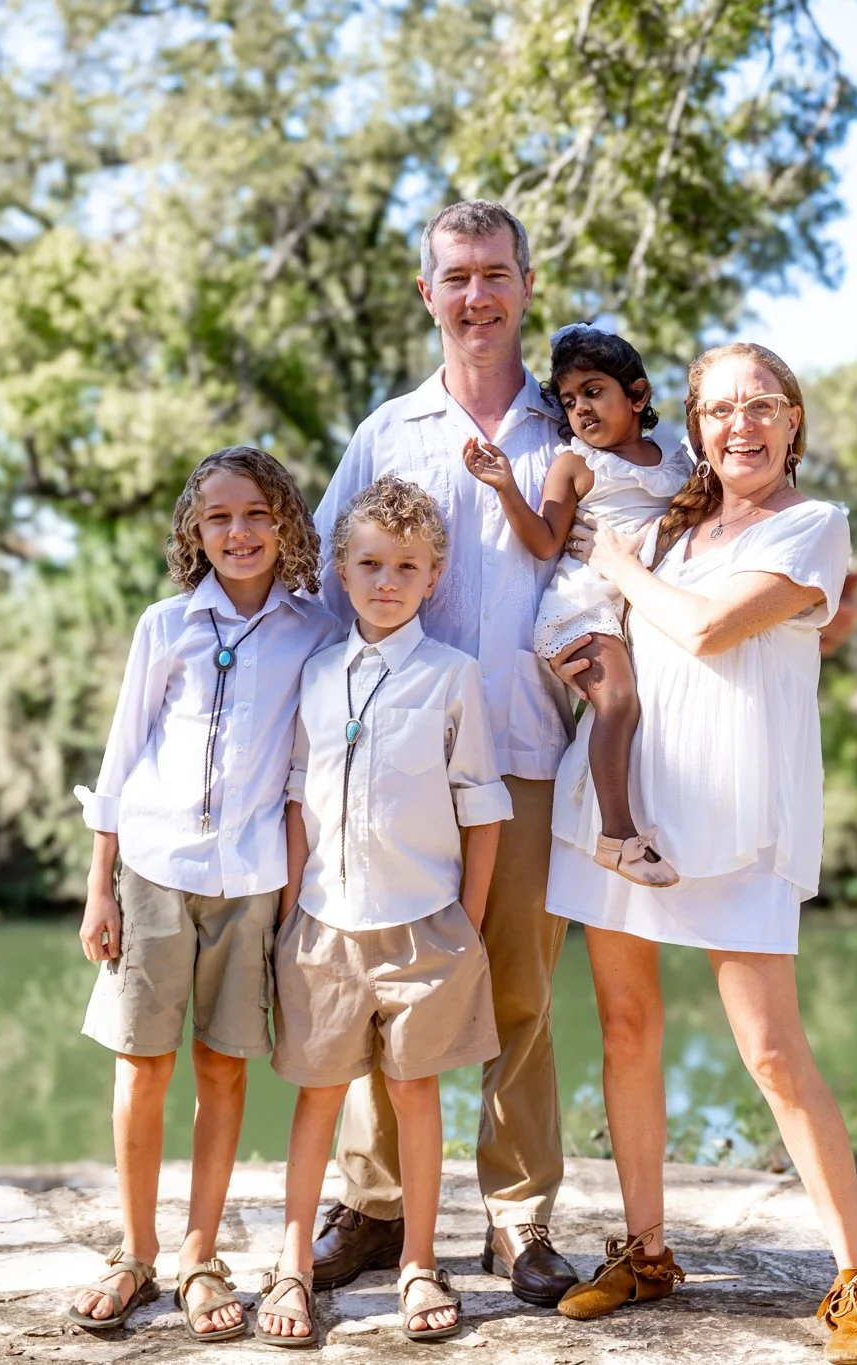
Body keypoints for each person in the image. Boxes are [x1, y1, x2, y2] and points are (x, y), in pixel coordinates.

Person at [545, 343, 857, 1365]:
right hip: (621, 810)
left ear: (791, 420)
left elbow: (704, 632)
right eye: (717, 411)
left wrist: (610, 562)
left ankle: (856, 1276)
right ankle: (646, 1248)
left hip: (737, 818)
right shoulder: (669, 522)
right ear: (693, 426)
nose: (737, 427)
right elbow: (624, 636)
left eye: (759, 407)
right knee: (624, 1027)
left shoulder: (810, 528)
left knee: (772, 1055)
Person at [307, 200, 579, 1307]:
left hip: (520, 748)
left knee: (518, 993)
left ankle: (518, 1222)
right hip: (393, 769)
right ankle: (371, 1210)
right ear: (427, 293)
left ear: (524, 285)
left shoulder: (569, 433)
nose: (476, 296)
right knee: (381, 983)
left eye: (495, 274)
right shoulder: (386, 432)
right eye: (455, 276)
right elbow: (327, 582)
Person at [64, 447, 336, 1341]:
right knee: (143, 1064)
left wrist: (295, 899)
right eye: (218, 517)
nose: (239, 531)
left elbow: (304, 776)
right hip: (151, 871)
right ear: (195, 532)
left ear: (286, 522)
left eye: (256, 512)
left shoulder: (314, 630)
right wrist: (98, 888)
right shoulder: (166, 625)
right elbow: (120, 755)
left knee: (224, 1067)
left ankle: (199, 1253)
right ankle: (135, 1251)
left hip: (250, 880)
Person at [255, 476, 510, 1346]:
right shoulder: (317, 674)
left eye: (406, 566)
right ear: (341, 568)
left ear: (434, 575)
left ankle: (418, 1261)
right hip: (324, 924)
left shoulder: (452, 678)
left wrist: (466, 926)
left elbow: (482, 808)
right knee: (320, 1096)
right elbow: (296, 800)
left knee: (414, 1091)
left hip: (425, 926)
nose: (386, 581)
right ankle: (293, 1265)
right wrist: (291, 915)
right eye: (369, 564)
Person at [462, 324, 693, 886]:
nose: (581, 408)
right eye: (569, 401)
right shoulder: (576, 464)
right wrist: (505, 486)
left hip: (636, 608)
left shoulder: (679, 460)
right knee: (617, 702)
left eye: (594, 391)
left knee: (649, 712)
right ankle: (616, 838)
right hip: (578, 608)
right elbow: (544, 540)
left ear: (637, 396)